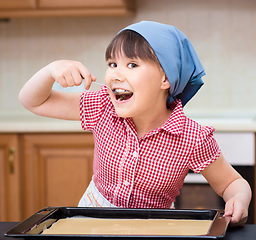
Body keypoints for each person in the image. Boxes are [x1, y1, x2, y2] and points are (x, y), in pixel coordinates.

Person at [19, 21, 251, 227]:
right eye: (112, 64)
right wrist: (50, 71)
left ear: (166, 78)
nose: (115, 75)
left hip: (155, 228)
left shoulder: (192, 137)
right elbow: (33, 102)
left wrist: (238, 199)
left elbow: (232, 183)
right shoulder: (103, 107)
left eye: (131, 65)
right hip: (92, 221)